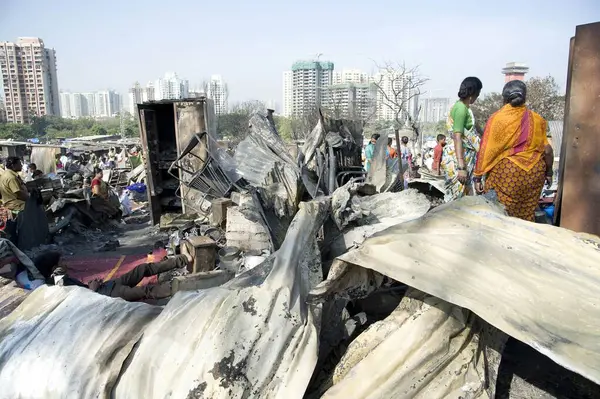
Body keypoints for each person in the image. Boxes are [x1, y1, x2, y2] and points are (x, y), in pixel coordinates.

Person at [473, 80, 554, 221]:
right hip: (534, 174)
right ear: (525, 97)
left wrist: (478, 176)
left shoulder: (497, 119)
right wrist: (549, 172)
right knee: (526, 216)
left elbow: (486, 149)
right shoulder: (537, 119)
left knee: (501, 215)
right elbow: (547, 151)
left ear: (504, 98)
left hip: (506, 175)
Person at [35, 251, 192, 301]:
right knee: (146, 292)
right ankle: (187, 286)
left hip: (108, 286)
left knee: (143, 268)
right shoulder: (58, 285)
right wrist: (92, 290)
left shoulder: (61, 278)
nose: (65, 262)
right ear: (54, 267)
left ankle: (182, 260)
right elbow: (79, 304)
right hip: (106, 295)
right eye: (61, 261)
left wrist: (91, 286)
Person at [441, 77, 483, 201]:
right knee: (456, 201)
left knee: (462, 200)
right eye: (478, 94)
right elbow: (457, 136)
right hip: (458, 159)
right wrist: (461, 167)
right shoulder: (461, 109)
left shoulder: (463, 107)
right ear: (473, 94)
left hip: (463, 157)